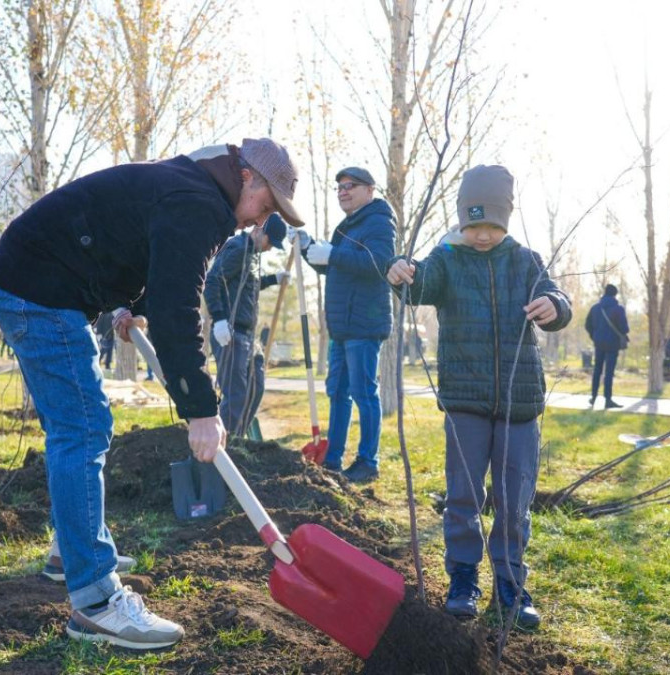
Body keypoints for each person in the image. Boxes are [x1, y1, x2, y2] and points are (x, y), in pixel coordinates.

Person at [0, 137, 302, 650]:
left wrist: (129, 302)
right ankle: (96, 602)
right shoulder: (197, 203)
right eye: (265, 206)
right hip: (37, 288)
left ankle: (71, 552)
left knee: (79, 426)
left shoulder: (196, 187)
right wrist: (201, 409)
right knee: (82, 428)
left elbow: (150, 257)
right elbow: (179, 309)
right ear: (248, 177)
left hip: (35, 278)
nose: (257, 222)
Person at [387, 164, 572, 630]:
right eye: (474, 225)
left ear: (506, 220)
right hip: (465, 403)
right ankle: (463, 578)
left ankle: (510, 583)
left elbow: (555, 299)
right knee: (463, 497)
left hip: (519, 404)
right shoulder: (448, 258)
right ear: (460, 221)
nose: (483, 235)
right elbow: (419, 286)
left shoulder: (525, 261)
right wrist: (401, 273)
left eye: (491, 224)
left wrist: (557, 307)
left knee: (514, 502)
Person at [301, 166, 396, 483]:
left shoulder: (379, 223)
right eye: (339, 186)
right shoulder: (346, 228)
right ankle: (333, 459)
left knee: (364, 393)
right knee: (338, 392)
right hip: (341, 328)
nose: (343, 191)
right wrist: (307, 248)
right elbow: (335, 266)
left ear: (370, 190)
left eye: (350, 185)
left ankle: (368, 462)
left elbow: (379, 263)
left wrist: (333, 255)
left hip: (364, 326)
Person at [204, 213, 288, 438]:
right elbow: (213, 281)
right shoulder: (238, 249)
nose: (270, 249)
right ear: (259, 231)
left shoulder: (251, 254)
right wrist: (219, 318)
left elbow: (246, 284)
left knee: (255, 388)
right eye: (271, 242)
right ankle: (224, 447)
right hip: (232, 333)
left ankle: (238, 439)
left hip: (249, 336)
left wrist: (273, 279)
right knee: (237, 395)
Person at [584, 284, 628, 409]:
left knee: (597, 370)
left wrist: (595, 336)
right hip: (613, 344)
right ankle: (608, 400)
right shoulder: (618, 309)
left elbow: (587, 325)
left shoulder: (595, 308)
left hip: (598, 344)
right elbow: (624, 328)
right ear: (615, 294)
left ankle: (593, 397)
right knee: (609, 372)